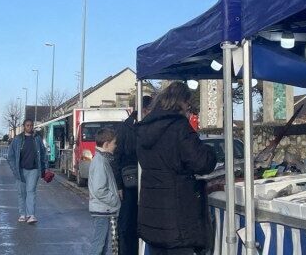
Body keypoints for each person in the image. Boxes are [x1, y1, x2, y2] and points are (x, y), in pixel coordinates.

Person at [137, 82, 217, 255]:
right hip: (178, 216)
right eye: (188, 104)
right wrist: (210, 150)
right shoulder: (179, 127)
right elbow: (202, 163)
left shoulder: (143, 128)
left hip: (152, 214)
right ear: (182, 102)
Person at [113, 96, 152, 255]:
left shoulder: (148, 126)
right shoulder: (125, 128)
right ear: (144, 110)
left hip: (146, 182)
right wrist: (119, 185)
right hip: (129, 182)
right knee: (127, 222)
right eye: (150, 110)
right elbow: (117, 157)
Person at [6, 119, 47, 224]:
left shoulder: (37, 139)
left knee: (31, 191)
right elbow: (10, 156)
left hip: (34, 169)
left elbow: (43, 153)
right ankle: (22, 214)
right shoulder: (17, 139)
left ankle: (31, 215)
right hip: (20, 170)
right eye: (28, 125)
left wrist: (44, 168)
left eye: (31, 125)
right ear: (24, 126)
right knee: (21, 193)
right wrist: (14, 169)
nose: (30, 127)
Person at [88, 127, 121, 255]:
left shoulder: (101, 160)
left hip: (103, 209)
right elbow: (99, 189)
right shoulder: (100, 162)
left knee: (102, 245)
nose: (116, 146)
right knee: (99, 245)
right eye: (114, 143)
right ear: (106, 144)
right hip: (103, 209)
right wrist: (114, 199)